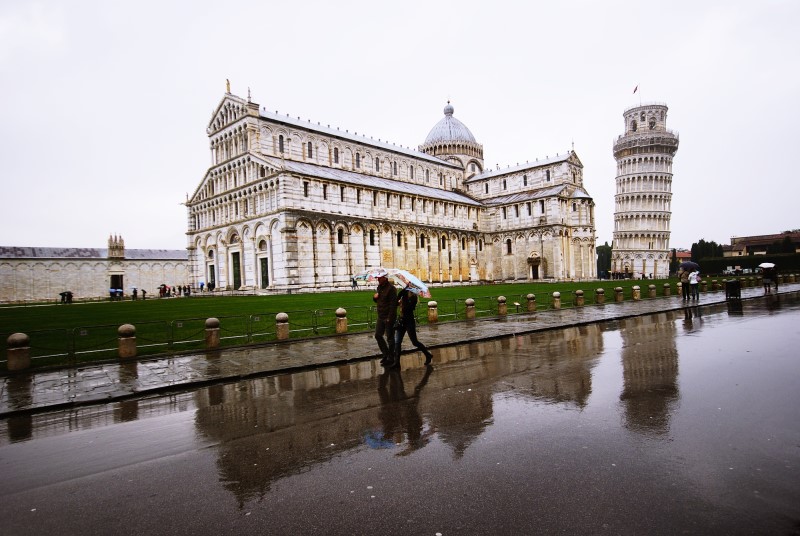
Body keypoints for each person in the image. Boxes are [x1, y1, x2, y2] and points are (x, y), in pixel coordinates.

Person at [389, 284, 433, 368]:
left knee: (415, 342)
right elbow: (395, 302)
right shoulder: (404, 295)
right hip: (401, 321)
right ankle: (397, 363)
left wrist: (402, 301)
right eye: (407, 286)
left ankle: (428, 355)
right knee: (397, 342)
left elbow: (408, 309)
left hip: (409, 322)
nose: (406, 287)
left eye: (408, 287)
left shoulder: (414, 298)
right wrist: (401, 293)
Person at [372, 271, 397, 366]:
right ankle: (386, 354)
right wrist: (375, 298)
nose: (378, 279)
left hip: (388, 317)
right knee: (378, 335)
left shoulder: (391, 289)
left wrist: (389, 318)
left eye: (379, 278)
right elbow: (379, 300)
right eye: (377, 278)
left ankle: (391, 357)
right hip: (381, 316)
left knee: (390, 338)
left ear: (385, 278)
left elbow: (393, 305)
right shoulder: (379, 287)